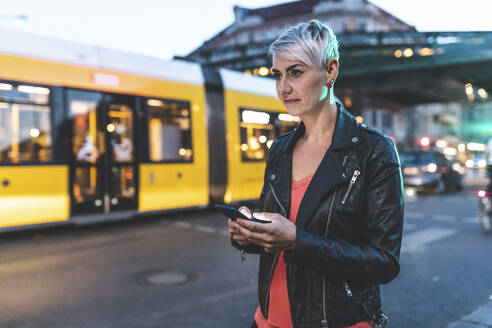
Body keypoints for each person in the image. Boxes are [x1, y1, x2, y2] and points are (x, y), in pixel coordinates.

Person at [228, 20, 404, 328]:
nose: (283, 87)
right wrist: (248, 234)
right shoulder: (280, 149)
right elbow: (275, 236)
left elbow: (384, 263)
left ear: (331, 71)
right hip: (268, 319)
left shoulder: (373, 150)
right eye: (277, 75)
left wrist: (298, 242)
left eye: (295, 72)